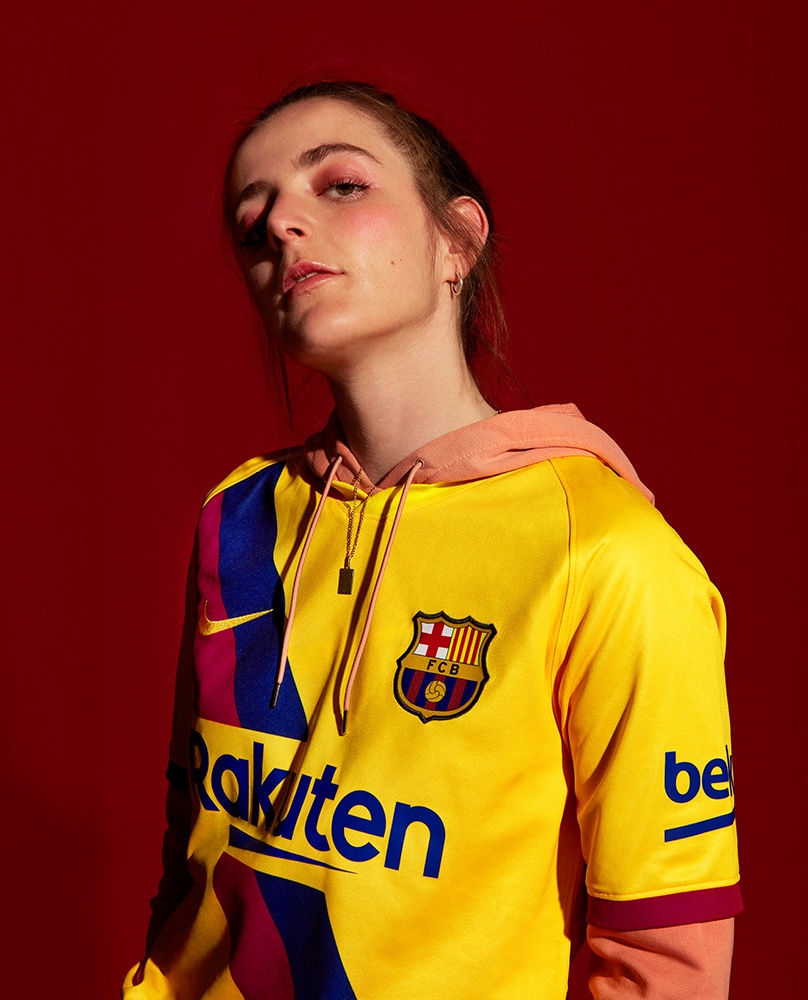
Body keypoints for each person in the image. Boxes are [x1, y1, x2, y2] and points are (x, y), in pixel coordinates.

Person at [122, 80, 742, 999]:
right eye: (252, 224)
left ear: (457, 240)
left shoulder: (608, 550)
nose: (281, 226)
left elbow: (667, 957)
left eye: (340, 185)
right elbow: (192, 854)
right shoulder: (236, 514)